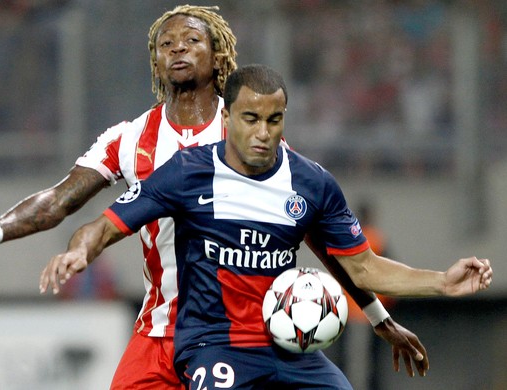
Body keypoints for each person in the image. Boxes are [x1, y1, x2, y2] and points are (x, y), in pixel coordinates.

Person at [0, 6, 429, 388]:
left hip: (244, 336)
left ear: (218, 54)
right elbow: (59, 201)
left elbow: (319, 236)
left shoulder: (250, 138)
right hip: (159, 332)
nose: (177, 48)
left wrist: (380, 319)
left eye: (191, 40)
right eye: (166, 44)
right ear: (155, 62)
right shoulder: (129, 138)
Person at [39, 64, 493, 389]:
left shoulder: (312, 183)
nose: (263, 132)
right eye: (251, 119)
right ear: (227, 118)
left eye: (274, 120)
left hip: (291, 349)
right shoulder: (187, 172)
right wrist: (81, 251)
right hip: (214, 345)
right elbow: (105, 224)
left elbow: (362, 268)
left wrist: (441, 282)